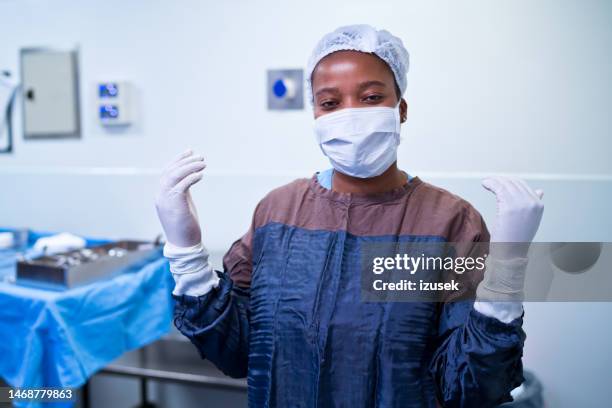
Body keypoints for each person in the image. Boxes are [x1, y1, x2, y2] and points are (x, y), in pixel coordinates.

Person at [155, 25, 544, 408]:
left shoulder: (451, 222)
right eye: (330, 103)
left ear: (401, 108)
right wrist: (186, 252)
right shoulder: (277, 212)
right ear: (315, 116)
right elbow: (235, 350)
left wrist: (506, 274)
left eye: (372, 97)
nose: (351, 115)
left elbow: (466, 387)